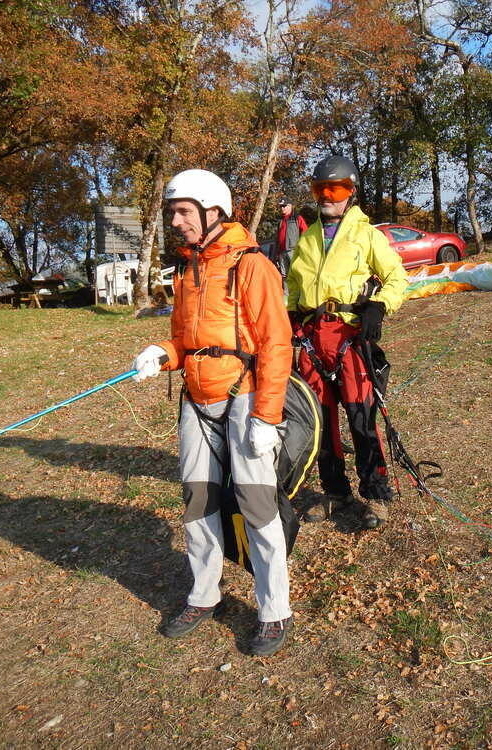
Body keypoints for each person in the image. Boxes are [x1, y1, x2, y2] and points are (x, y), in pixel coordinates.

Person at [131, 169, 294, 656]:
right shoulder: (186, 271)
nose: (176, 222)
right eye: (173, 213)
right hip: (196, 400)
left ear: (212, 210)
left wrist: (267, 416)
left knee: (256, 503)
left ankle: (274, 609)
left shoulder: (251, 265)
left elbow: (276, 344)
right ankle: (204, 595)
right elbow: (184, 340)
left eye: (183, 212)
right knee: (198, 500)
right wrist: (162, 353)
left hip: (245, 397)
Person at [286, 155, 408, 529]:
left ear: (350, 192)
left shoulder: (367, 235)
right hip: (311, 341)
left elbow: (397, 278)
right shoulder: (307, 237)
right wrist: (289, 318)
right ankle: (336, 492)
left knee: (361, 417)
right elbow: (294, 287)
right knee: (319, 422)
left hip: (348, 339)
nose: (327, 196)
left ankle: (376, 494)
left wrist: (379, 307)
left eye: (335, 189)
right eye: (320, 189)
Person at [274, 199, 308, 277]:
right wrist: (277, 252)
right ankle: (285, 286)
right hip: (281, 252)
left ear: (290, 206)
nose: (282, 208)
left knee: (296, 273)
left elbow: (305, 232)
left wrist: (301, 248)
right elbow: (277, 237)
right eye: (281, 206)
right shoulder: (280, 220)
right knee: (284, 275)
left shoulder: (297, 218)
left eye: (284, 206)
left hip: (293, 251)